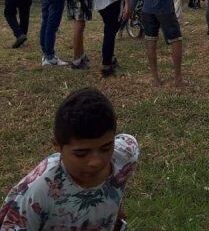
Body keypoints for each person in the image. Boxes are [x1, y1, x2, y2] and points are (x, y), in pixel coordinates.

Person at [0, 88, 139, 231]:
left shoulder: (125, 154)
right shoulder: (38, 191)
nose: (96, 162)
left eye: (105, 148)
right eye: (81, 153)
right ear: (58, 146)